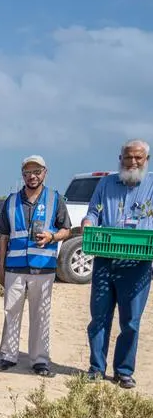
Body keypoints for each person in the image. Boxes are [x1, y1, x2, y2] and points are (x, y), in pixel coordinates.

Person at [82, 139, 153, 388]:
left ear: (147, 159)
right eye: (128, 157)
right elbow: (93, 212)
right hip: (104, 258)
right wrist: (88, 223)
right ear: (120, 158)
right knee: (98, 317)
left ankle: (124, 370)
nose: (132, 162)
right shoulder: (106, 183)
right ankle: (96, 367)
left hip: (137, 263)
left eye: (138, 158)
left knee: (131, 321)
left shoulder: (152, 185)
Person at [0, 155, 71, 377]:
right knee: (11, 312)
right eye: (27, 172)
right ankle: (8, 355)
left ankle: (39, 360)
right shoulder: (11, 200)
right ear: (22, 175)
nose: (32, 176)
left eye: (36, 171)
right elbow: (3, 236)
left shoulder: (55, 199)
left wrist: (52, 236)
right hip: (14, 267)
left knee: (40, 314)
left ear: (45, 172)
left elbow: (66, 229)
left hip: (43, 266)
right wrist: (0, 268)